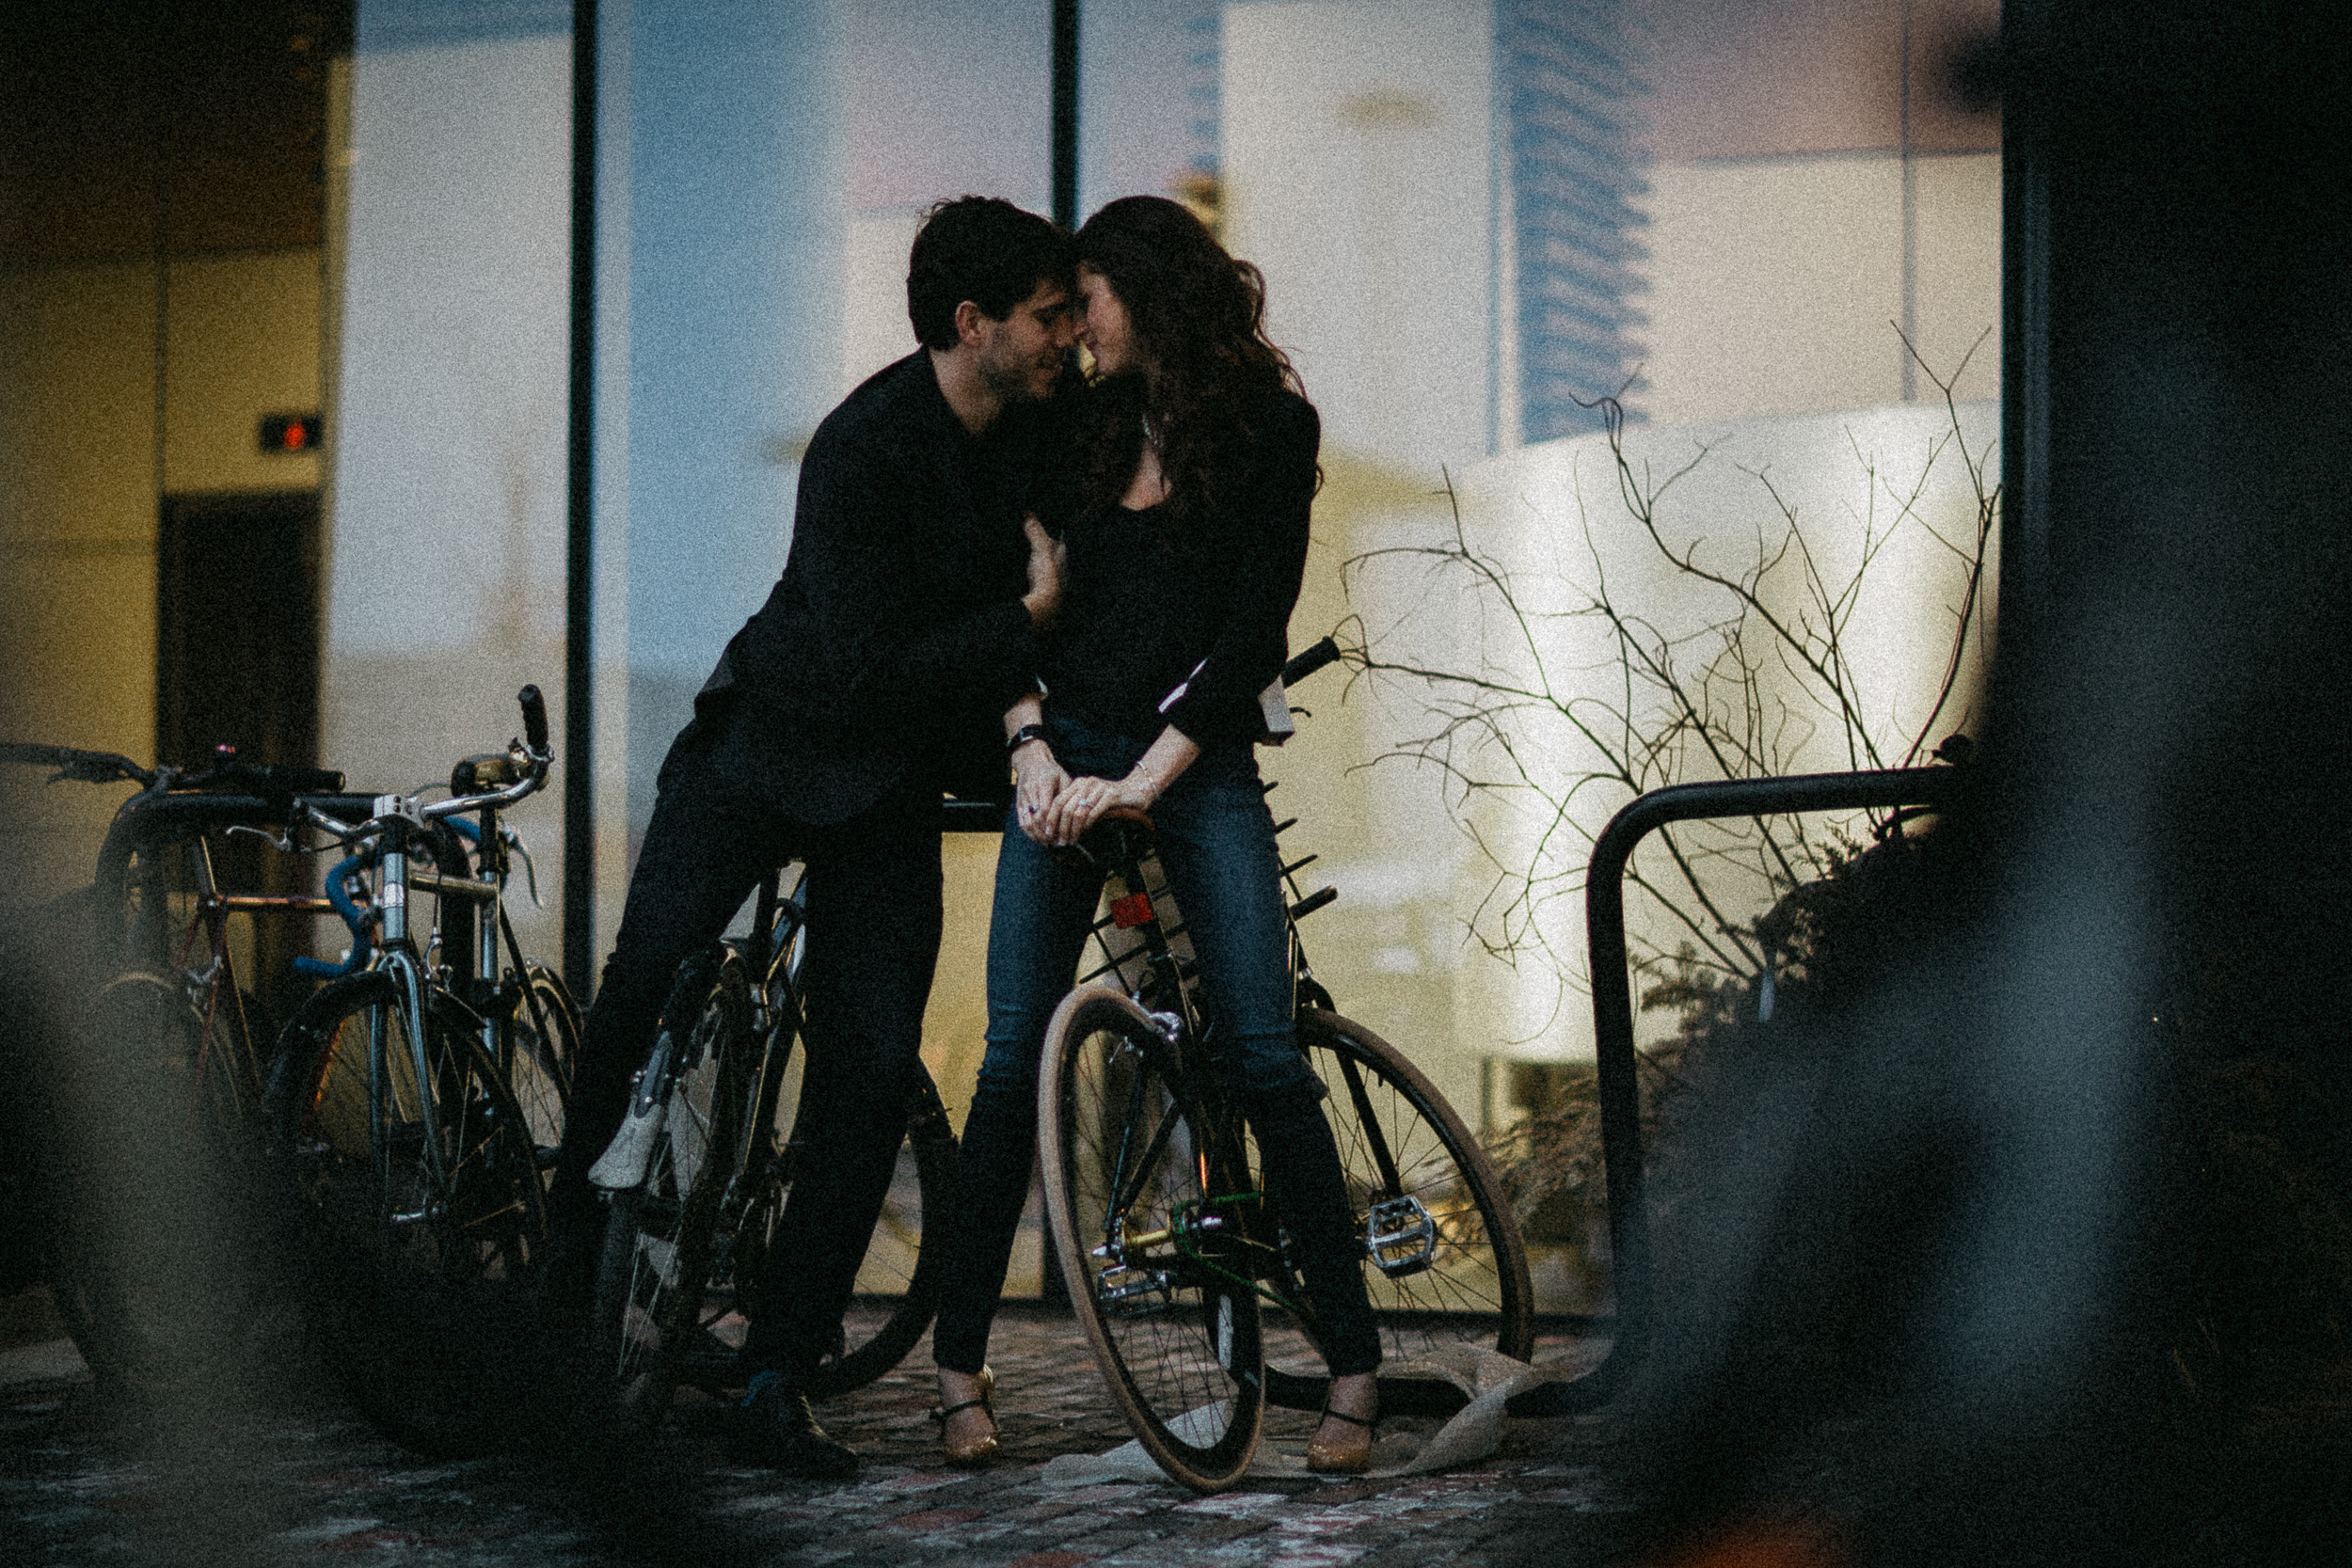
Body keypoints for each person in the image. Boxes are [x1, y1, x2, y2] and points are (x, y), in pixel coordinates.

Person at [543, 197, 1078, 1479]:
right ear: (973, 325)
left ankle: (775, 1377)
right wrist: (1031, 619)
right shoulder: (860, 446)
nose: (1068, 338)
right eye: (1049, 317)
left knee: (870, 1070)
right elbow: (861, 672)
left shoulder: (1039, 434)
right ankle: (555, 1331)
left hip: (884, 791)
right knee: (640, 983)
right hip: (767, 749)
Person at [924, 194, 1384, 1476]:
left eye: (1089, 300)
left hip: (1195, 762)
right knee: (1013, 1055)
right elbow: (1003, 600)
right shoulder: (1067, 425)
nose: (1072, 328)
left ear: (1148, 290)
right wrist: (1029, 742)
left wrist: (1148, 777)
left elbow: (1250, 631)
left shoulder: (1270, 430)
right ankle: (958, 1372)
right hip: (1063, 766)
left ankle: (1351, 1371)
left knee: (1263, 1049)